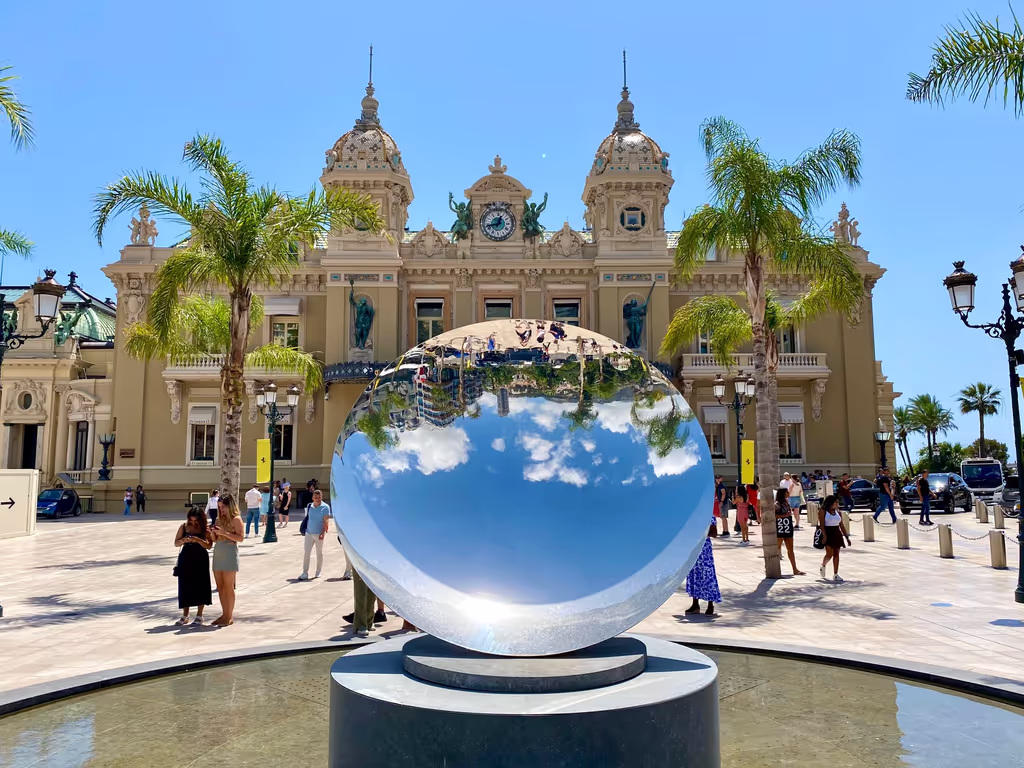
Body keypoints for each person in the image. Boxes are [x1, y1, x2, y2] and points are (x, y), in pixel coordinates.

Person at [174, 507, 213, 625]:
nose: (193, 523)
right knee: (185, 585)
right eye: (191, 520)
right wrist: (184, 540)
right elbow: (176, 543)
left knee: (201, 584)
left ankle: (199, 615)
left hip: (200, 557)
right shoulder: (184, 526)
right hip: (186, 556)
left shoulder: (205, 528)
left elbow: (209, 546)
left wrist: (198, 540)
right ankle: (185, 615)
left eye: (196, 521)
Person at [210, 492, 244, 626]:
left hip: (229, 553)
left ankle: (229, 616)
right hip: (218, 551)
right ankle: (224, 614)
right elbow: (214, 540)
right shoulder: (219, 520)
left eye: (223, 507)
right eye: (219, 507)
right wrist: (212, 533)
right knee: (220, 586)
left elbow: (240, 538)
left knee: (228, 586)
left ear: (230, 506)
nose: (222, 509)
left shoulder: (236, 519)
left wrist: (225, 533)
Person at [685, 515, 722, 615]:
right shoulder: (692, 516)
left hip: (705, 549)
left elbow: (714, 533)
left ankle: (710, 604)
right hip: (693, 547)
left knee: (707, 575)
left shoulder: (710, 517)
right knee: (694, 574)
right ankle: (695, 604)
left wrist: (702, 531)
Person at [299, 489, 332, 580]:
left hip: (319, 534)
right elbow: (308, 518)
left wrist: (323, 532)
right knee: (307, 553)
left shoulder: (325, 507)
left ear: (321, 497)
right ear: (313, 497)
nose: (317, 499)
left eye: (319, 497)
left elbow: (326, 520)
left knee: (319, 553)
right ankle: (305, 572)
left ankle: (318, 571)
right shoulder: (310, 506)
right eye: (315, 497)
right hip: (309, 533)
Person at [818, 495, 852, 582]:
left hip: (837, 533)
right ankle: (823, 565)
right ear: (830, 503)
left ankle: (835, 574)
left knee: (836, 554)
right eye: (836, 502)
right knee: (829, 554)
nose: (837, 504)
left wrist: (847, 537)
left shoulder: (838, 511)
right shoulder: (823, 511)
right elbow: (821, 525)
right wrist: (824, 536)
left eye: (838, 502)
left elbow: (841, 525)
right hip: (827, 532)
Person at [775, 487, 805, 576]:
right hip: (780, 527)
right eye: (787, 492)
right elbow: (774, 516)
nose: (788, 493)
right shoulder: (777, 504)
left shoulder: (787, 502)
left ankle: (795, 569)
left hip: (788, 527)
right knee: (777, 548)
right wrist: (785, 515)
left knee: (790, 549)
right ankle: (774, 568)